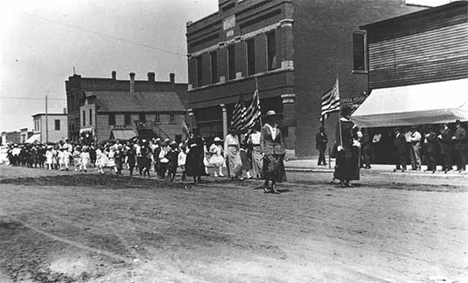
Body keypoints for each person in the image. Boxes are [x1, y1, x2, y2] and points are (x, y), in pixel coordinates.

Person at [260, 110, 286, 194]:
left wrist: (283, 151)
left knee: (277, 169)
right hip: (268, 150)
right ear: (268, 118)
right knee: (271, 168)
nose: (273, 118)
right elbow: (262, 140)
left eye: (274, 117)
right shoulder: (265, 128)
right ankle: (266, 182)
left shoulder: (278, 129)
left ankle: (274, 186)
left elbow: (281, 140)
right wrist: (262, 151)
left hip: (277, 150)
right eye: (271, 117)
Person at [334, 106, 360, 188]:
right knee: (343, 163)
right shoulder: (340, 123)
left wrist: (357, 138)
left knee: (351, 163)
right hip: (343, 144)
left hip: (351, 145)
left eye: (350, 113)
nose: (350, 115)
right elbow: (338, 135)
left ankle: (348, 180)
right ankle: (342, 180)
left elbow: (355, 134)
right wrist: (338, 145)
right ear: (344, 114)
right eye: (348, 113)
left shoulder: (352, 123)